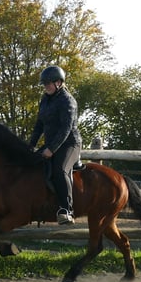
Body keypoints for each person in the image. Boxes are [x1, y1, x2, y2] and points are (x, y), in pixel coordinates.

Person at [29, 65, 82, 225]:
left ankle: (66, 210)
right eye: (44, 84)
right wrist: (30, 146)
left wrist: (51, 149)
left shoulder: (68, 101)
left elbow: (66, 129)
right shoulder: (45, 99)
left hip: (70, 144)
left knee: (59, 169)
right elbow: (39, 125)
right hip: (51, 143)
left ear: (59, 82)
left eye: (48, 83)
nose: (45, 87)